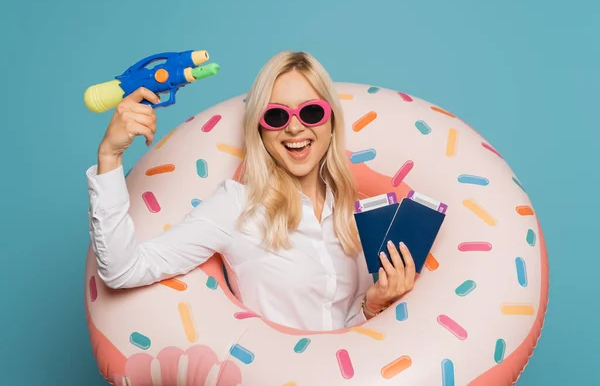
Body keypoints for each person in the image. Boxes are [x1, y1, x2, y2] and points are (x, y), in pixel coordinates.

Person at [86, 51, 416, 331]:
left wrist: (372, 307)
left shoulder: (357, 215)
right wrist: (109, 156)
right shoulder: (236, 207)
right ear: (260, 129)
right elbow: (123, 270)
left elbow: (343, 341)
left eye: (311, 111)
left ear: (330, 122)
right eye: (276, 115)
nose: (295, 126)